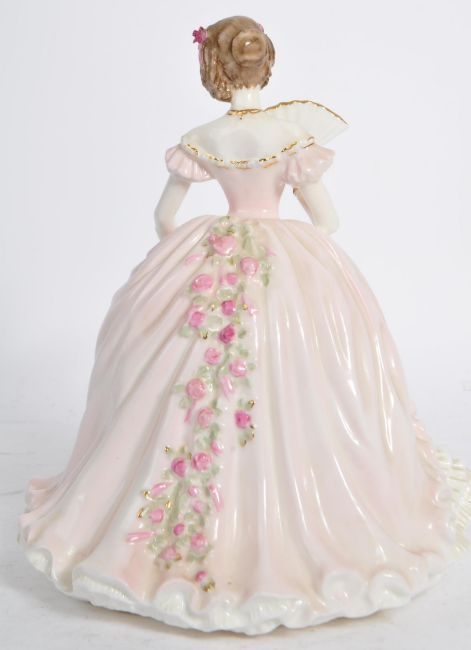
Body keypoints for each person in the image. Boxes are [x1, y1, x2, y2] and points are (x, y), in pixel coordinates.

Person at [17, 15, 471, 636]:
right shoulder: (291, 137)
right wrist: (296, 256)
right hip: (284, 252)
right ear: (267, 64)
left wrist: (190, 256)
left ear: (213, 71)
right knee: (305, 369)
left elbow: (164, 219)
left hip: (215, 250)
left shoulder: (202, 138)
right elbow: (328, 223)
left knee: (176, 372)